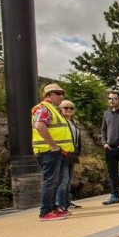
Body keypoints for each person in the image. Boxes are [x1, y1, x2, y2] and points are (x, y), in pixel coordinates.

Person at [31, 83, 75, 221]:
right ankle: (45, 211)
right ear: (48, 95)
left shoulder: (54, 109)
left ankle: (53, 207)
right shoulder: (44, 108)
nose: (61, 96)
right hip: (48, 151)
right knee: (50, 181)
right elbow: (39, 125)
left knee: (55, 181)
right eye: (57, 93)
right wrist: (53, 145)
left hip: (57, 152)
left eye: (62, 93)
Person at [56, 100, 82, 211]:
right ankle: (60, 204)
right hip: (62, 153)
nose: (69, 110)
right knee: (63, 180)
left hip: (72, 153)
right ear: (60, 109)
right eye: (66, 108)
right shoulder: (59, 122)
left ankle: (66, 202)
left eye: (71, 108)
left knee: (69, 180)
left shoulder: (73, 122)